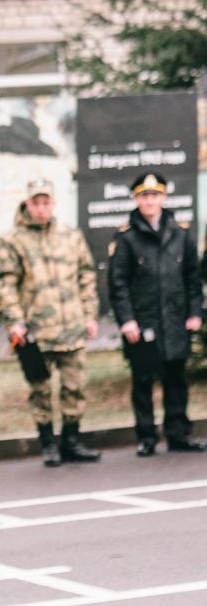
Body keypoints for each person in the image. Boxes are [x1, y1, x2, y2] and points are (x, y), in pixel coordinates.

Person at [0, 179, 101, 467]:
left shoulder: (70, 236)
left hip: (72, 327)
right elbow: (3, 284)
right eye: (36, 202)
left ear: (53, 203)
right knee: (40, 389)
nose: (41, 208)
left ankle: (72, 441)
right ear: (27, 203)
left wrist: (89, 315)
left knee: (75, 387)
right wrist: (14, 322)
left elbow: (86, 276)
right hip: (34, 333)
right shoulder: (12, 240)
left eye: (46, 202)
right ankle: (48, 443)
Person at [108, 173, 207, 456]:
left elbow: (193, 278)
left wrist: (195, 313)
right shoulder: (127, 237)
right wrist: (127, 320)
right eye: (144, 195)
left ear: (163, 197)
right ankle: (147, 436)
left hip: (176, 320)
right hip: (143, 322)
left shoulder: (181, 233)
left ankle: (178, 435)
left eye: (155, 195)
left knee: (176, 380)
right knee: (143, 381)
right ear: (136, 199)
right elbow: (118, 284)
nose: (150, 201)